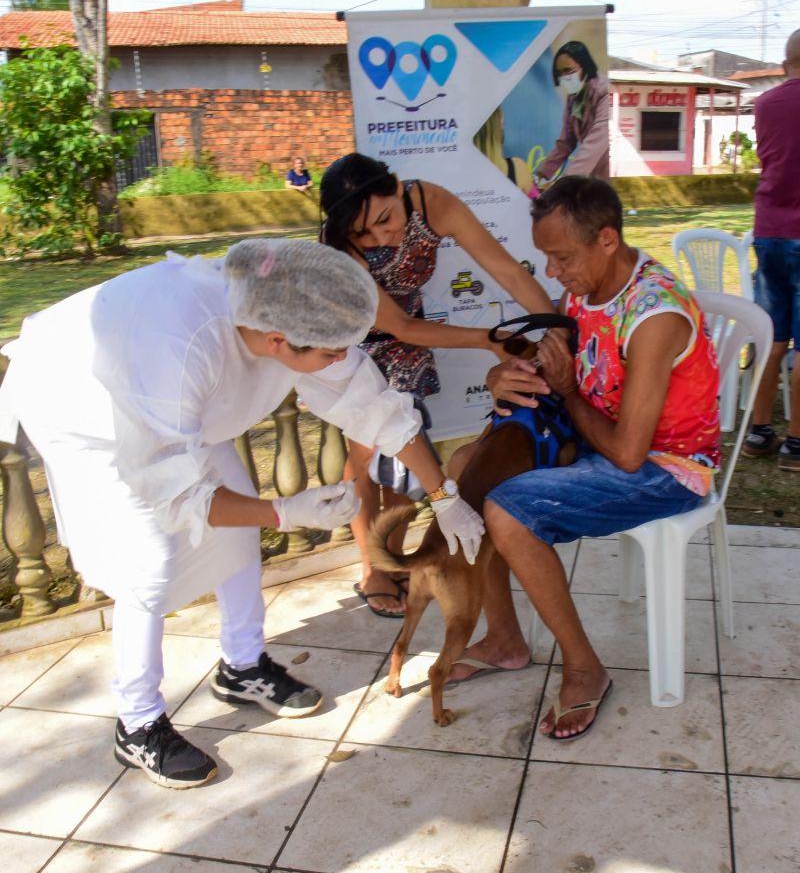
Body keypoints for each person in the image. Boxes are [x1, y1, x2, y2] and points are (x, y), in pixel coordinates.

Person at [0, 239, 484, 789]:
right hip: (90, 411)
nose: (341, 359)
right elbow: (180, 495)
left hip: (186, 412)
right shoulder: (176, 347)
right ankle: (136, 723)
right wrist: (284, 510)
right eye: (331, 352)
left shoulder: (286, 307)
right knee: (150, 566)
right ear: (278, 341)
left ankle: (242, 666)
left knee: (235, 543)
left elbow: (374, 407)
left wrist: (444, 497)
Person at [448, 175, 720, 741]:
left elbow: (627, 454)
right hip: (593, 438)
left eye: (561, 256)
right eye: (546, 256)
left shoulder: (656, 314)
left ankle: (585, 669)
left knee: (508, 512)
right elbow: (564, 370)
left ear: (606, 240)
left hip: (668, 468)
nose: (552, 272)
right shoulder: (589, 288)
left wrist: (568, 391)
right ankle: (504, 639)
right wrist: (507, 377)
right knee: (460, 473)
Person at [319, 152, 553, 618]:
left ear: (398, 186)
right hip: (351, 343)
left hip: (407, 343)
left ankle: (394, 556)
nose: (383, 236)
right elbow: (400, 325)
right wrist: (490, 340)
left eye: (386, 218)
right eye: (365, 233)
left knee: (406, 449)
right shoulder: (340, 247)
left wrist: (555, 326)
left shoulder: (432, 203)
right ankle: (373, 568)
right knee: (364, 452)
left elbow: (506, 270)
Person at [741, 28, 800, 471]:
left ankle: (759, 431)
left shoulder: (764, 105)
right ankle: (796, 445)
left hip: (768, 229)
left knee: (772, 336)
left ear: (784, 65)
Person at [534, 41, 609, 186]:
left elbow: (596, 141)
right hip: (592, 175)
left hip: (609, 174)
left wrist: (566, 181)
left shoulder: (605, 92)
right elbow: (566, 142)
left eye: (568, 70)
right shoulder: (573, 97)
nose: (564, 77)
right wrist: (540, 175)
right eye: (559, 73)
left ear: (584, 66)